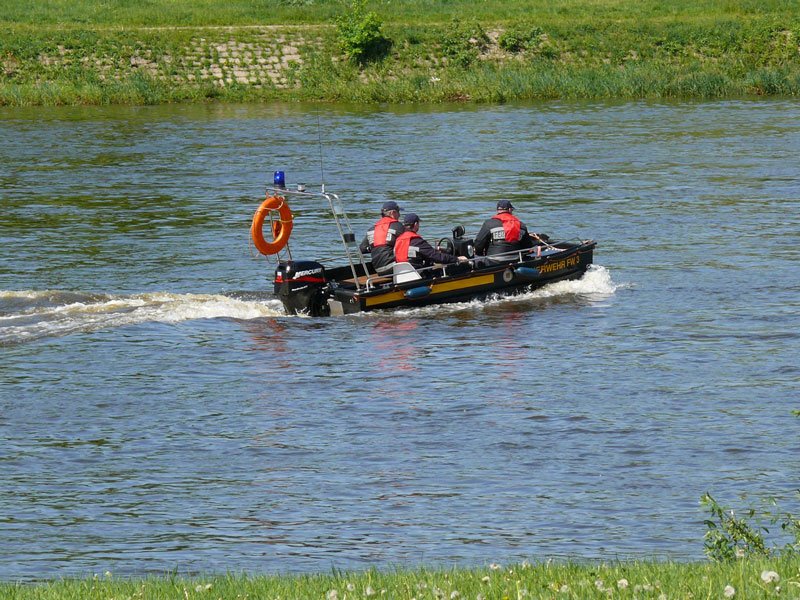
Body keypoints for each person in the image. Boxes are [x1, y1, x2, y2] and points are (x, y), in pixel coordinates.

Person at [394, 213, 469, 272]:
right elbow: (437, 257)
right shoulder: (417, 241)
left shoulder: (399, 240)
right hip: (418, 274)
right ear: (416, 224)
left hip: (402, 274)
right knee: (455, 268)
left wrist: (436, 251)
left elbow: (424, 252)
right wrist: (457, 259)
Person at [473, 199, 538, 258]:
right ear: (510, 210)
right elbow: (527, 247)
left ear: (498, 210)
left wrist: (480, 254)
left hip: (493, 262)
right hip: (516, 259)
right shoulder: (521, 225)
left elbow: (478, 244)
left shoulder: (489, 224)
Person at [359, 201, 405, 271]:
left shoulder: (372, 229)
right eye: (398, 212)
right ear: (392, 213)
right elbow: (411, 242)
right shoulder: (398, 226)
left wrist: (376, 247)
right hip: (393, 267)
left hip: (377, 269)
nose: (399, 215)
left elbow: (362, 249)